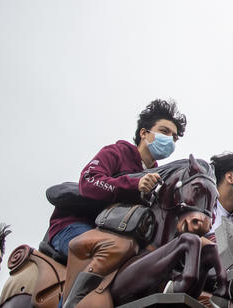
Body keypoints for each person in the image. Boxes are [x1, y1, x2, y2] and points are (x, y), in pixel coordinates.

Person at [47, 99, 187, 260]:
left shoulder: (158, 176)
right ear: (143, 133)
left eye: (174, 138)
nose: (170, 139)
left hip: (115, 235)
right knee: (105, 257)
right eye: (164, 131)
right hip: (73, 225)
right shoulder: (116, 152)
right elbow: (88, 182)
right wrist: (135, 185)